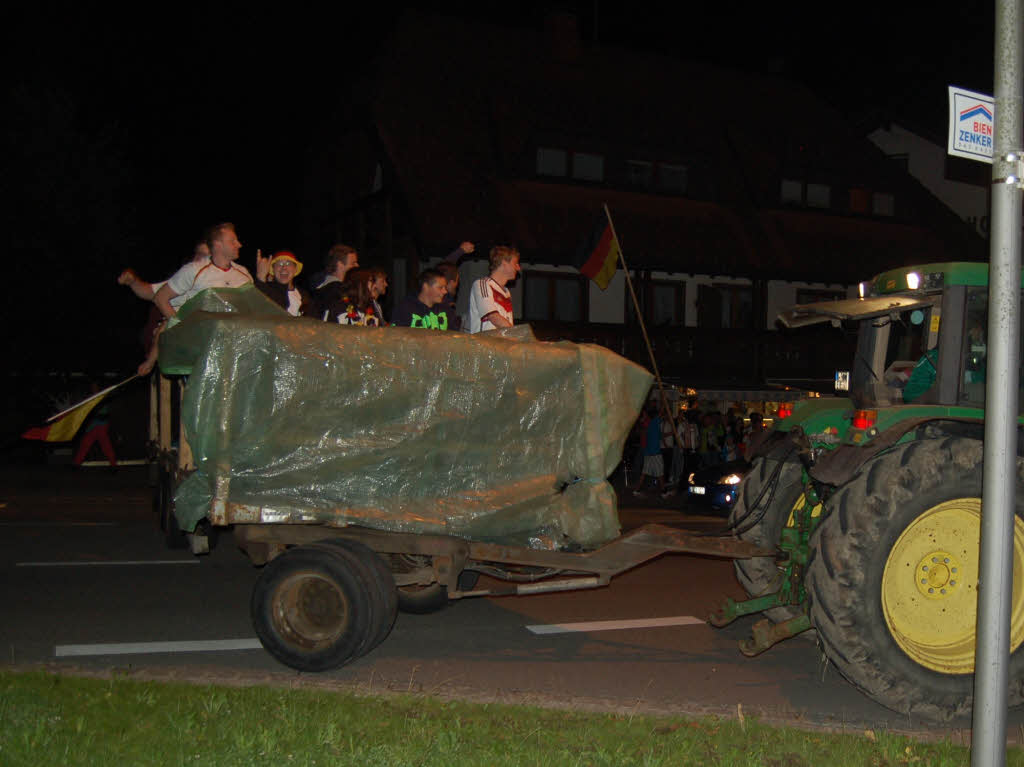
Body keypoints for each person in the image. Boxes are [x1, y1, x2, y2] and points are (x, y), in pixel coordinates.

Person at [153, 222, 253, 320]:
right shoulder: (194, 271)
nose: (239, 245)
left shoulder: (243, 273)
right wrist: (180, 326)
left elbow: (253, 306)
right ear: (218, 244)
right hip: (200, 330)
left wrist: (260, 280)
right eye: (232, 241)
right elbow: (160, 298)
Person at [468, 245, 520, 333]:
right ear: (504, 263)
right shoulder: (482, 284)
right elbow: (493, 317)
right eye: (515, 263)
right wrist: (517, 335)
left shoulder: (506, 292)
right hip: (484, 341)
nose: (518, 268)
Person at [256, 251, 316, 317]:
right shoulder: (267, 290)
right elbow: (257, 305)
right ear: (273, 270)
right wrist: (261, 278)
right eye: (280, 264)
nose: (284, 267)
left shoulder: (305, 296)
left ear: (295, 269)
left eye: (288, 264)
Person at [314, 244, 359, 322]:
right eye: (353, 263)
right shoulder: (332, 292)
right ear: (340, 264)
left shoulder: (324, 288)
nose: (357, 266)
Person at [630, 404, 665, 495]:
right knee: (660, 473)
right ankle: (664, 492)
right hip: (655, 453)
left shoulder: (649, 425)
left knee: (644, 472)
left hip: (648, 452)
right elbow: (661, 412)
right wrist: (665, 403)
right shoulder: (655, 422)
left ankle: (636, 490)